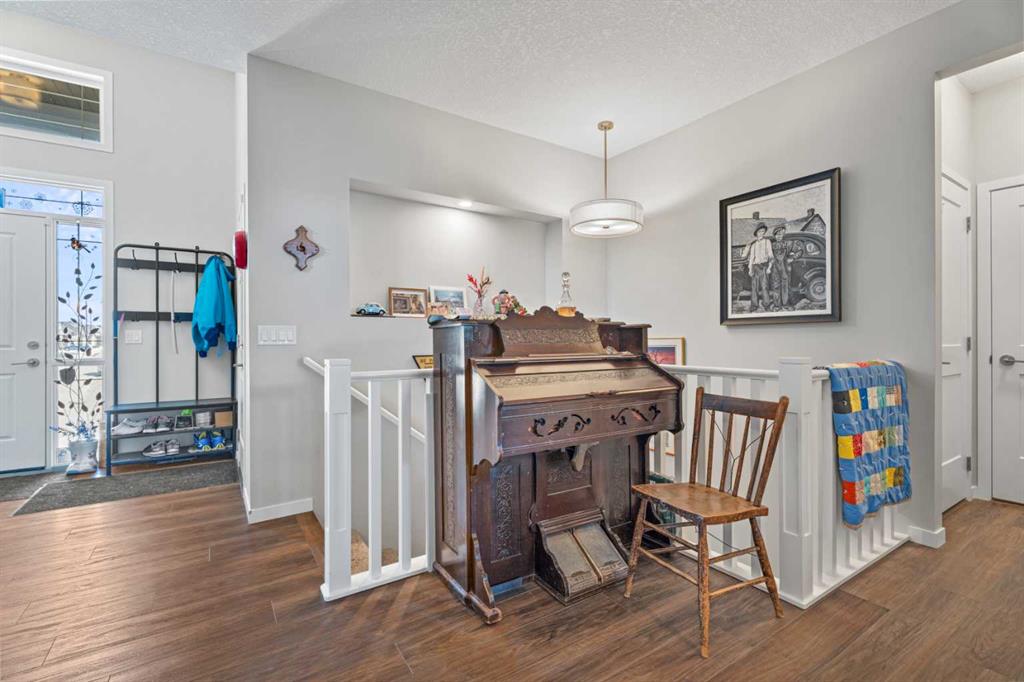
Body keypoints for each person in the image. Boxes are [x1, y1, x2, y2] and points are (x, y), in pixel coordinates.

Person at [741, 223, 772, 311]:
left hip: (764, 266)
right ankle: (754, 305)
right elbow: (749, 257)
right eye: (759, 231)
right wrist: (750, 269)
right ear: (756, 233)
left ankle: (766, 304)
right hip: (755, 267)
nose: (761, 233)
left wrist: (769, 267)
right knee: (754, 287)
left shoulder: (767, 242)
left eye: (763, 231)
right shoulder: (753, 244)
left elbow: (771, 256)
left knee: (765, 286)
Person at [770, 225, 794, 309]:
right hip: (775, 268)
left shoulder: (788, 244)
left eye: (780, 234)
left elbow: (799, 251)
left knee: (785, 286)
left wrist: (792, 258)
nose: (778, 236)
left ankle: (786, 304)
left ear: (783, 235)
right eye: (777, 235)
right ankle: (777, 305)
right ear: (774, 236)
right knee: (776, 286)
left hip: (785, 268)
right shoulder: (772, 245)